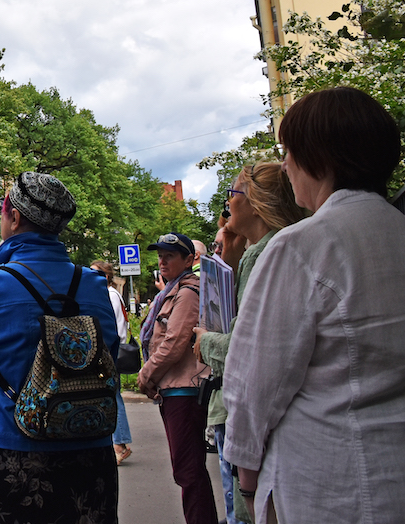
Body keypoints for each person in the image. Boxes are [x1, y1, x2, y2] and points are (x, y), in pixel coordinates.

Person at [223, 87, 405, 524]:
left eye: (289, 152)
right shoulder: (396, 229)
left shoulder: (301, 246)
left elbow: (254, 383)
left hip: (329, 480)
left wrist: (246, 477)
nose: (285, 165)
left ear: (319, 159)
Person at [0, 172, 120, 522]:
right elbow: (108, 357)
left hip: (11, 448)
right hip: (89, 445)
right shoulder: (92, 284)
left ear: (13, 216)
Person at [193, 163, 305, 524]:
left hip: (257, 420)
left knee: (249, 510)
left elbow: (246, 351)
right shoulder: (282, 245)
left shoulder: (264, 254)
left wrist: (204, 341)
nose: (227, 205)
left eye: (232, 194)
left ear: (255, 203)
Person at [137, 233, 215, 524]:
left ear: (189, 260)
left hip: (184, 390)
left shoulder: (187, 292)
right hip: (175, 389)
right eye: (160, 255)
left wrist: (146, 375)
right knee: (188, 470)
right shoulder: (173, 290)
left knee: (189, 471)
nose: (162, 261)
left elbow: (174, 342)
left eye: (170, 256)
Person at [92, 259, 132, 466]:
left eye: (96, 273)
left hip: (111, 353)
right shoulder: (106, 293)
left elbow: (117, 327)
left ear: (106, 276)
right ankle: (118, 443)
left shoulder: (110, 294)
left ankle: (120, 444)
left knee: (114, 396)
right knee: (112, 395)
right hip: (108, 352)